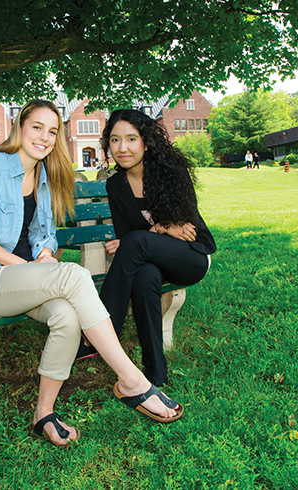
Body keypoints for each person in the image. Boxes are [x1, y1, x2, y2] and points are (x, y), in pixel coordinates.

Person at [0, 100, 183, 447]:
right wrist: (29, 268)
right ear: (20, 127)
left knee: (65, 315)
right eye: (37, 127)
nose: (45, 137)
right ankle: (132, 381)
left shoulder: (45, 177)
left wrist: (45, 254)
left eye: (52, 131)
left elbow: (43, 235)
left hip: (27, 280)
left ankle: (43, 413)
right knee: (75, 275)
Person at [76, 109, 216, 387]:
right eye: (115, 140)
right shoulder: (116, 185)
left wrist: (152, 233)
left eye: (131, 139)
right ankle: (155, 374)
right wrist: (161, 228)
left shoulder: (171, 172)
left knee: (138, 243)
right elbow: (127, 235)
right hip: (150, 262)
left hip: (191, 257)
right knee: (144, 277)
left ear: (146, 142)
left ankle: (98, 332)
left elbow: (184, 230)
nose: (122, 147)